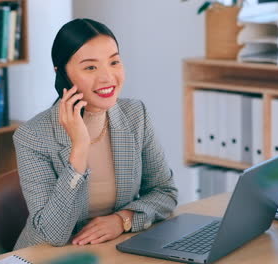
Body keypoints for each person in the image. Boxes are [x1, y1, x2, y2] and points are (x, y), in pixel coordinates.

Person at [13, 18, 178, 249]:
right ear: (62, 74)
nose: (107, 77)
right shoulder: (32, 136)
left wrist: (122, 220)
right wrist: (80, 147)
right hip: (50, 254)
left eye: (114, 62)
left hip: (115, 247)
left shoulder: (135, 115)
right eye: (90, 67)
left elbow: (165, 192)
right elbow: (53, 233)